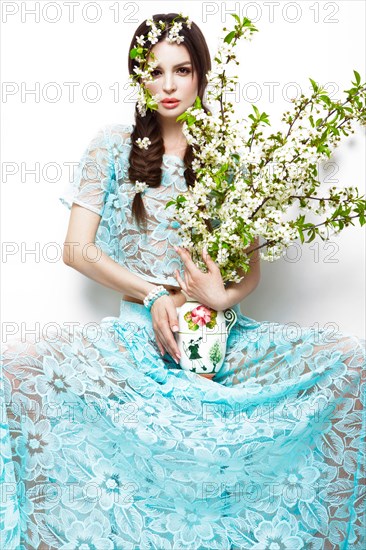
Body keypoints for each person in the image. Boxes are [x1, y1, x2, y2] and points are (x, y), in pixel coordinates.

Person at [1, 12, 365, 550]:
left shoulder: (229, 157)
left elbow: (248, 272)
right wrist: (152, 296)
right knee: (17, 369)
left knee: (349, 362)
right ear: (138, 78)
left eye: (182, 70)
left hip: (220, 334)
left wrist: (224, 296)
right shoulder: (111, 146)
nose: (168, 86)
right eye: (155, 71)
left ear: (201, 74)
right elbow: (76, 249)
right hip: (138, 334)